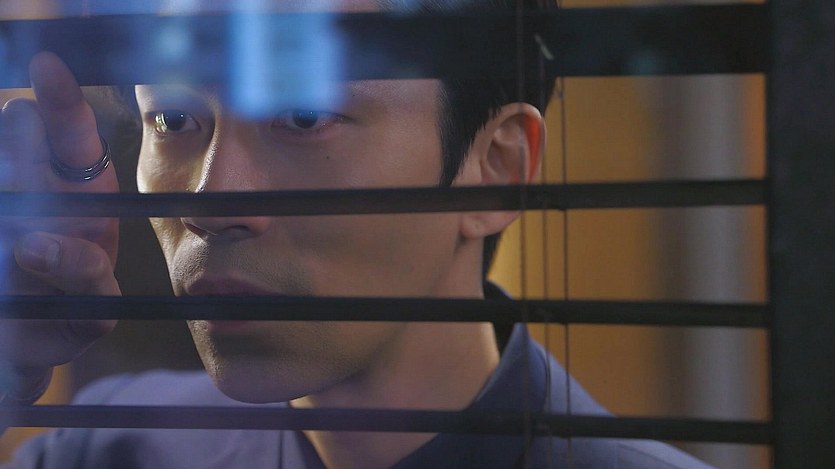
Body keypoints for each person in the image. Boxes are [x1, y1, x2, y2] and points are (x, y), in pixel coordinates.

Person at [0, 0, 715, 467]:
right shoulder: (112, 448)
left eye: (304, 118)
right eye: (173, 120)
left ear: (496, 171)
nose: (212, 202)